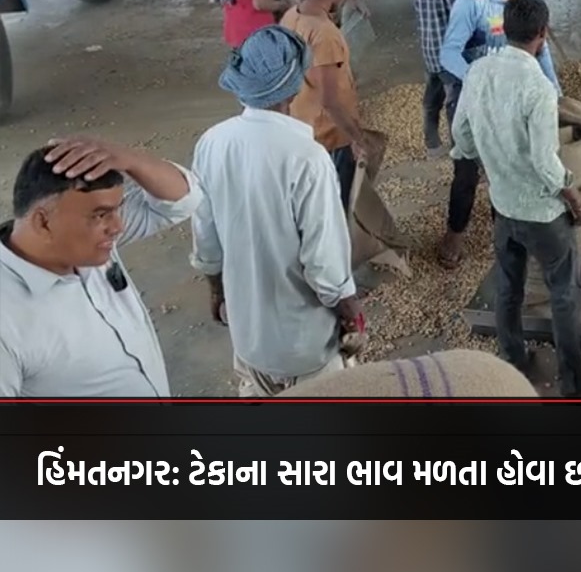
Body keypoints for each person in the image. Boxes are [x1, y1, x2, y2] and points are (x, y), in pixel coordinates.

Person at [190, 25, 365, 399]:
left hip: (249, 338)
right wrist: (350, 309)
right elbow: (325, 264)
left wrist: (217, 291)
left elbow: (206, 239)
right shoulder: (307, 157)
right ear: (299, 82)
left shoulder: (212, 143)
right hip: (305, 345)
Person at [450, 0, 581, 399]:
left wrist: (484, 161)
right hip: (542, 213)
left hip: (503, 206)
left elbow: (461, 134)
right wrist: (575, 198)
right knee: (564, 296)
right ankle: (573, 385)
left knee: (508, 288)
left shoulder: (479, 71)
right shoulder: (539, 86)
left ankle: (514, 363)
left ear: (504, 30)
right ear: (542, 34)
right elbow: (544, 160)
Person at [0, 137, 202, 397]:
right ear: (43, 222)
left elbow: (182, 200)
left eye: (118, 210)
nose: (118, 227)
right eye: (100, 215)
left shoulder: (82, 244)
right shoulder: (7, 320)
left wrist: (130, 159)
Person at [436, 0, 562, 268]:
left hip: (514, 104)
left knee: (508, 169)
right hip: (472, 100)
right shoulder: (473, 2)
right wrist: (478, 80)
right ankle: (454, 235)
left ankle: (505, 242)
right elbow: (448, 53)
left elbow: (542, 50)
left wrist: (554, 92)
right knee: (467, 172)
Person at [282, 0, 366, 210]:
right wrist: (357, 138)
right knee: (334, 206)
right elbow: (329, 100)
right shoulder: (324, 34)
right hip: (328, 136)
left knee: (309, 204)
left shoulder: (291, 15)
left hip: (300, 124)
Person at [408, 0, 465, 158]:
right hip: (449, 52)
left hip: (428, 48)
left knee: (432, 98)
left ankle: (432, 144)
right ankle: (458, 148)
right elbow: (460, 16)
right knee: (455, 100)